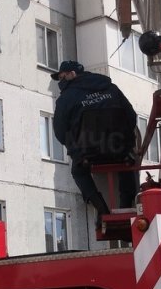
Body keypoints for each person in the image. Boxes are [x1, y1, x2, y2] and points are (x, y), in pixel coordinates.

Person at [51, 60, 139, 220]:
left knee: (78, 172)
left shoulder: (66, 98)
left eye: (62, 77)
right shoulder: (111, 88)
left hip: (87, 153)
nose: (61, 81)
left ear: (72, 74)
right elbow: (131, 116)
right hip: (119, 148)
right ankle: (126, 206)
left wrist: (75, 148)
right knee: (128, 166)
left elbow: (59, 131)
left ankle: (101, 209)